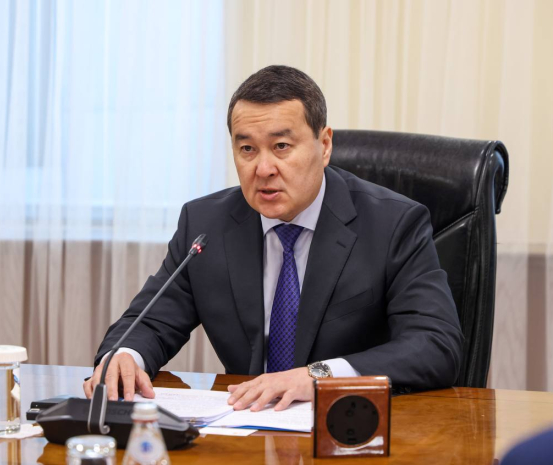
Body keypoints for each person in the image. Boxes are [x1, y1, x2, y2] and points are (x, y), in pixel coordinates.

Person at [84, 65, 463, 412]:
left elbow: (435, 345)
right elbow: (150, 322)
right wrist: (126, 356)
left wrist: (318, 376)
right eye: (247, 149)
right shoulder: (206, 225)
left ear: (325, 145)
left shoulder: (393, 224)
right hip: (246, 427)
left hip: (350, 427)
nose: (263, 168)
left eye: (281, 146)